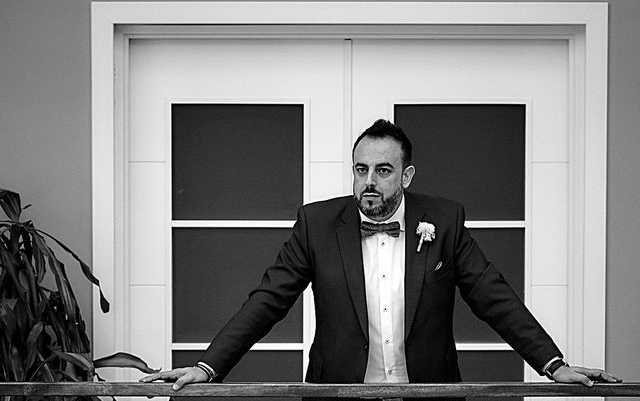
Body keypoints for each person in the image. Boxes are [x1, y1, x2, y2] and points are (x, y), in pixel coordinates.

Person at [141, 119, 621, 390]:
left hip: (429, 391)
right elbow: (267, 300)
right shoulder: (317, 224)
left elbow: (494, 298)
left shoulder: (445, 220)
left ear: (406, 177)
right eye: (360, 169)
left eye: (383, 170)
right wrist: (208, 366)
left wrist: (552, 364)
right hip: (340, 392)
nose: (369, 182)